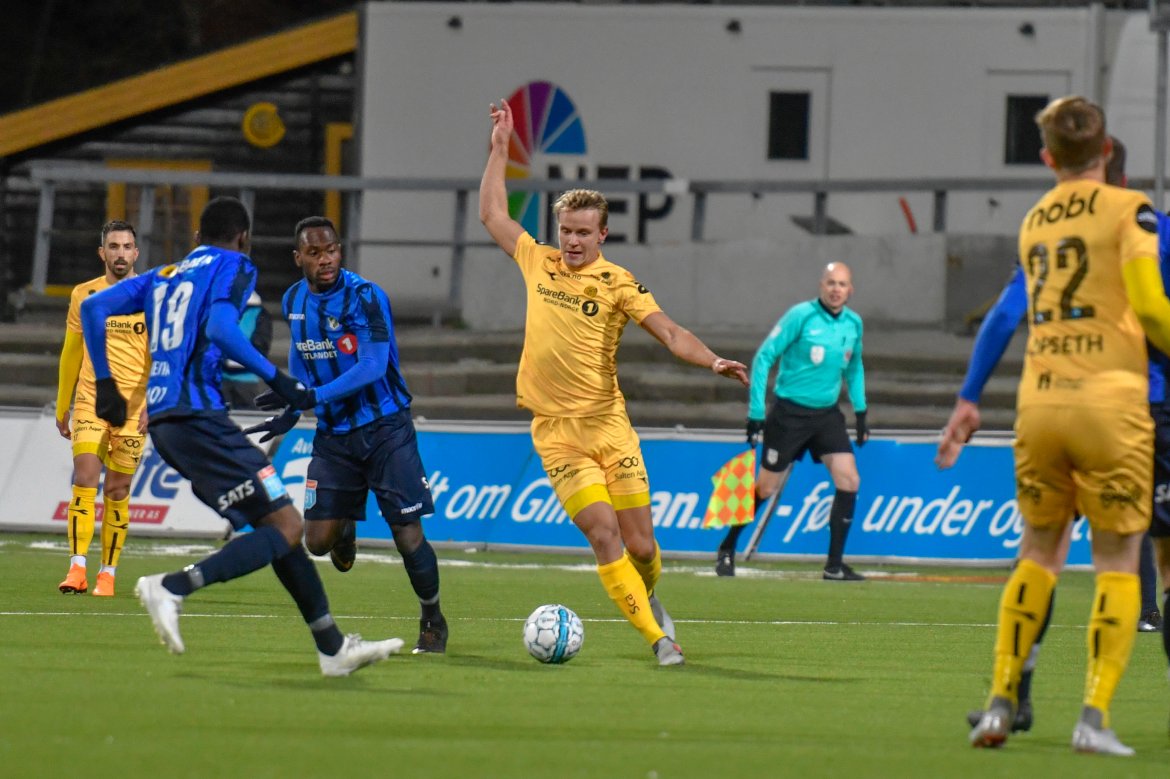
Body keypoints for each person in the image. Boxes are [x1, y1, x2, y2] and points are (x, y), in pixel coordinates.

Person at [80, 196, 402, 676]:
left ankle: (333, 649)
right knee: (287, 527)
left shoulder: (166, 274)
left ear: (195, 239)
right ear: (244, 237)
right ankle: (172, 586)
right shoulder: (235, 266)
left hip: (169, 423)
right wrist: (278, 379)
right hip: (200, 420)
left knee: (283, 527)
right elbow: (222, 329)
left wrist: (107, 383)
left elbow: (94, 308)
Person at [479, 99, 749, 666]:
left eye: (582, 233)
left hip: (609, 427)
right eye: (565, 231)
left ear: (602, 234)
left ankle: (648, 592)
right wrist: (501, 148)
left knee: (642, 546)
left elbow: (670, 333)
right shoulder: (538, 261)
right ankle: (659, 638)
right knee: (603, 535)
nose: (571, 241)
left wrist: (714, 362)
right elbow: (493, 216)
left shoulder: (620, 283)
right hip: (557, 433)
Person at [955, 97, 1170, 756]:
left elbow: (1001, 317)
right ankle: (1093, 717)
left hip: (1041, 402)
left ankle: (1001, 701)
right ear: (1106, 154)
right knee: (1122, 561)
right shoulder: (1134, 214)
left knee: (1038, 552)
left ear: (1047, 157)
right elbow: (1150, 306)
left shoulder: (1034, 222)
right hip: (1120, 404)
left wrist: (966, 399)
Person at [246, 216, 448, 654]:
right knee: (317, 543)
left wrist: (309, 396)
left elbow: (372, 366)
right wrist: (292, 406)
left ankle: (432, 617)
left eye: (332, 250)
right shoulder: (294, 299)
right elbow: (302, 365)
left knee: (406, 534)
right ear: (298, 258)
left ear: (341, 250)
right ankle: (345, 529)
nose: (326, 260)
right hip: (334, 435)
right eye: (315, 253)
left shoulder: (366, 297)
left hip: (386, 430)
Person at [715, 262, 868, 581]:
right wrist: (756, 412)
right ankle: (727, 546)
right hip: (789, 414)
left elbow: (853, 368)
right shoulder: (801, 315)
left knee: (849, 480)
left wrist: (861, 411)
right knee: (766, 487)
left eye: (842, 284)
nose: (836, 289)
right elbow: (764, 356)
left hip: (827, 415)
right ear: (821, 285)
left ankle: (834, 566)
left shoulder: (854, 323)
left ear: (850, 290)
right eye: (831, 283)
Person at [54, 219, 150, 597]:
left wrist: (155, 404)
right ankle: (77, 568)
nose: (121, 253)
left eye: (127, 246)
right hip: (91, 402)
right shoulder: (85, 294)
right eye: (114, 246)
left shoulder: (151, 296)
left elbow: (161, 354)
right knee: (84, 477)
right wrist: (64, 403)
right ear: (102, 252)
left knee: (117, 489)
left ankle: (107, 574)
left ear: (136, 252)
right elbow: (71, 350)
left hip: (134, 406)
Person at [220, 290, 273, 410]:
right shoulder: (223, 308)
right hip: (222, 377)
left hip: (246, 379)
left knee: (248, 416)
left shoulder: (258, 313)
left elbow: (261, 345)